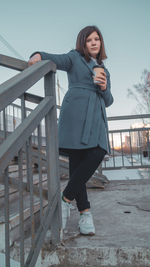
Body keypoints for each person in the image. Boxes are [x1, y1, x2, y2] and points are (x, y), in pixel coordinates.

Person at [28, 25, 114, 236]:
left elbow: (110, 100)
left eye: (97, 39)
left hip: (96, 118)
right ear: (83, 43)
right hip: (75, 115)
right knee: (77, 164)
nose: (94, 42)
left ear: (101, 43)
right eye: (89, 40)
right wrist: (38, 54)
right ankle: (85, 215)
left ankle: (65, 201)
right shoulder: (75, 57)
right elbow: (56, 59)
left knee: (98, 151)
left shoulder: (105, 70)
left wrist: (103, 88)